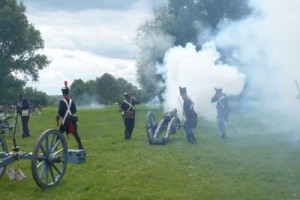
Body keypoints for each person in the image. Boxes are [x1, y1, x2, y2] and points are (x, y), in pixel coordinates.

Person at [56, 81, 83, 149]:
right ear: (68, 93)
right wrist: (70, 113)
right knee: (75, 134)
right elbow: (75, 110)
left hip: (65, 121)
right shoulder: (72, 101)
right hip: (72, 120)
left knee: (59, 133)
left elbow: (60, 112)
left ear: (63, 94)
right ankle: (80, 146)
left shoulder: (62, 102)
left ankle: (55, 146)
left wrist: (58, 117)